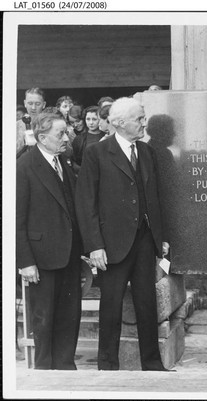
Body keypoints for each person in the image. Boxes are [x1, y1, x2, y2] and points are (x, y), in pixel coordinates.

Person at [75, 97, 172, 371]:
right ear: (119, 123)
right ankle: (107, 366)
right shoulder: (96, 152)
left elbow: (155, 198)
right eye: (140, 118)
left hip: (144, 241)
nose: (144, 122)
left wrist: (160, 236)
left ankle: (152, 364)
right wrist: (94, 245)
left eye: (143, 117)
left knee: (147, 304)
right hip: (111, 245)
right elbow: (86, 202)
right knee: (111, 307)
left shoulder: (147, 152)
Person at [16, 112, 82, 369]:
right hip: (41, 258)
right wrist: (25, 262)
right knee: (44, 318)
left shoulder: (64, 161)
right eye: (61, 134)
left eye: (66, 132)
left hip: (69, 254)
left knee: (69, 315)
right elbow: (16, 218)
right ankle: (45, 371)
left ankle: (65, 366)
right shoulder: (24, 166)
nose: (66, 138)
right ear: (42, 137)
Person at [17, 88, 46, 157]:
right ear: (25, 103)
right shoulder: (16, 126)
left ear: (44, 104)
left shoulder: (50, 124)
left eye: (38, 104)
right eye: (30, 103)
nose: (33, 107)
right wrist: (23, 142)